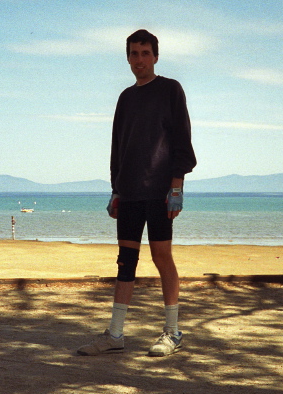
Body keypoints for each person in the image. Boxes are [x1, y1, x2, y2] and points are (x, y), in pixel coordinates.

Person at [77, 29, 197, 357]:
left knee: (161, 257)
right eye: (133, 54)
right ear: (127, 58)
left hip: (160, 192)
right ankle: (115, 334)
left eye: (145, 53)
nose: (139, 60)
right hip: (129, 191)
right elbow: (118, 146)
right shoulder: (125, 98)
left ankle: (172, 332)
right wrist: (116, 189)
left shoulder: (170, 90)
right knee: (126, 262)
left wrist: (177, 186)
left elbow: (181, 141)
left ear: (156, 56)